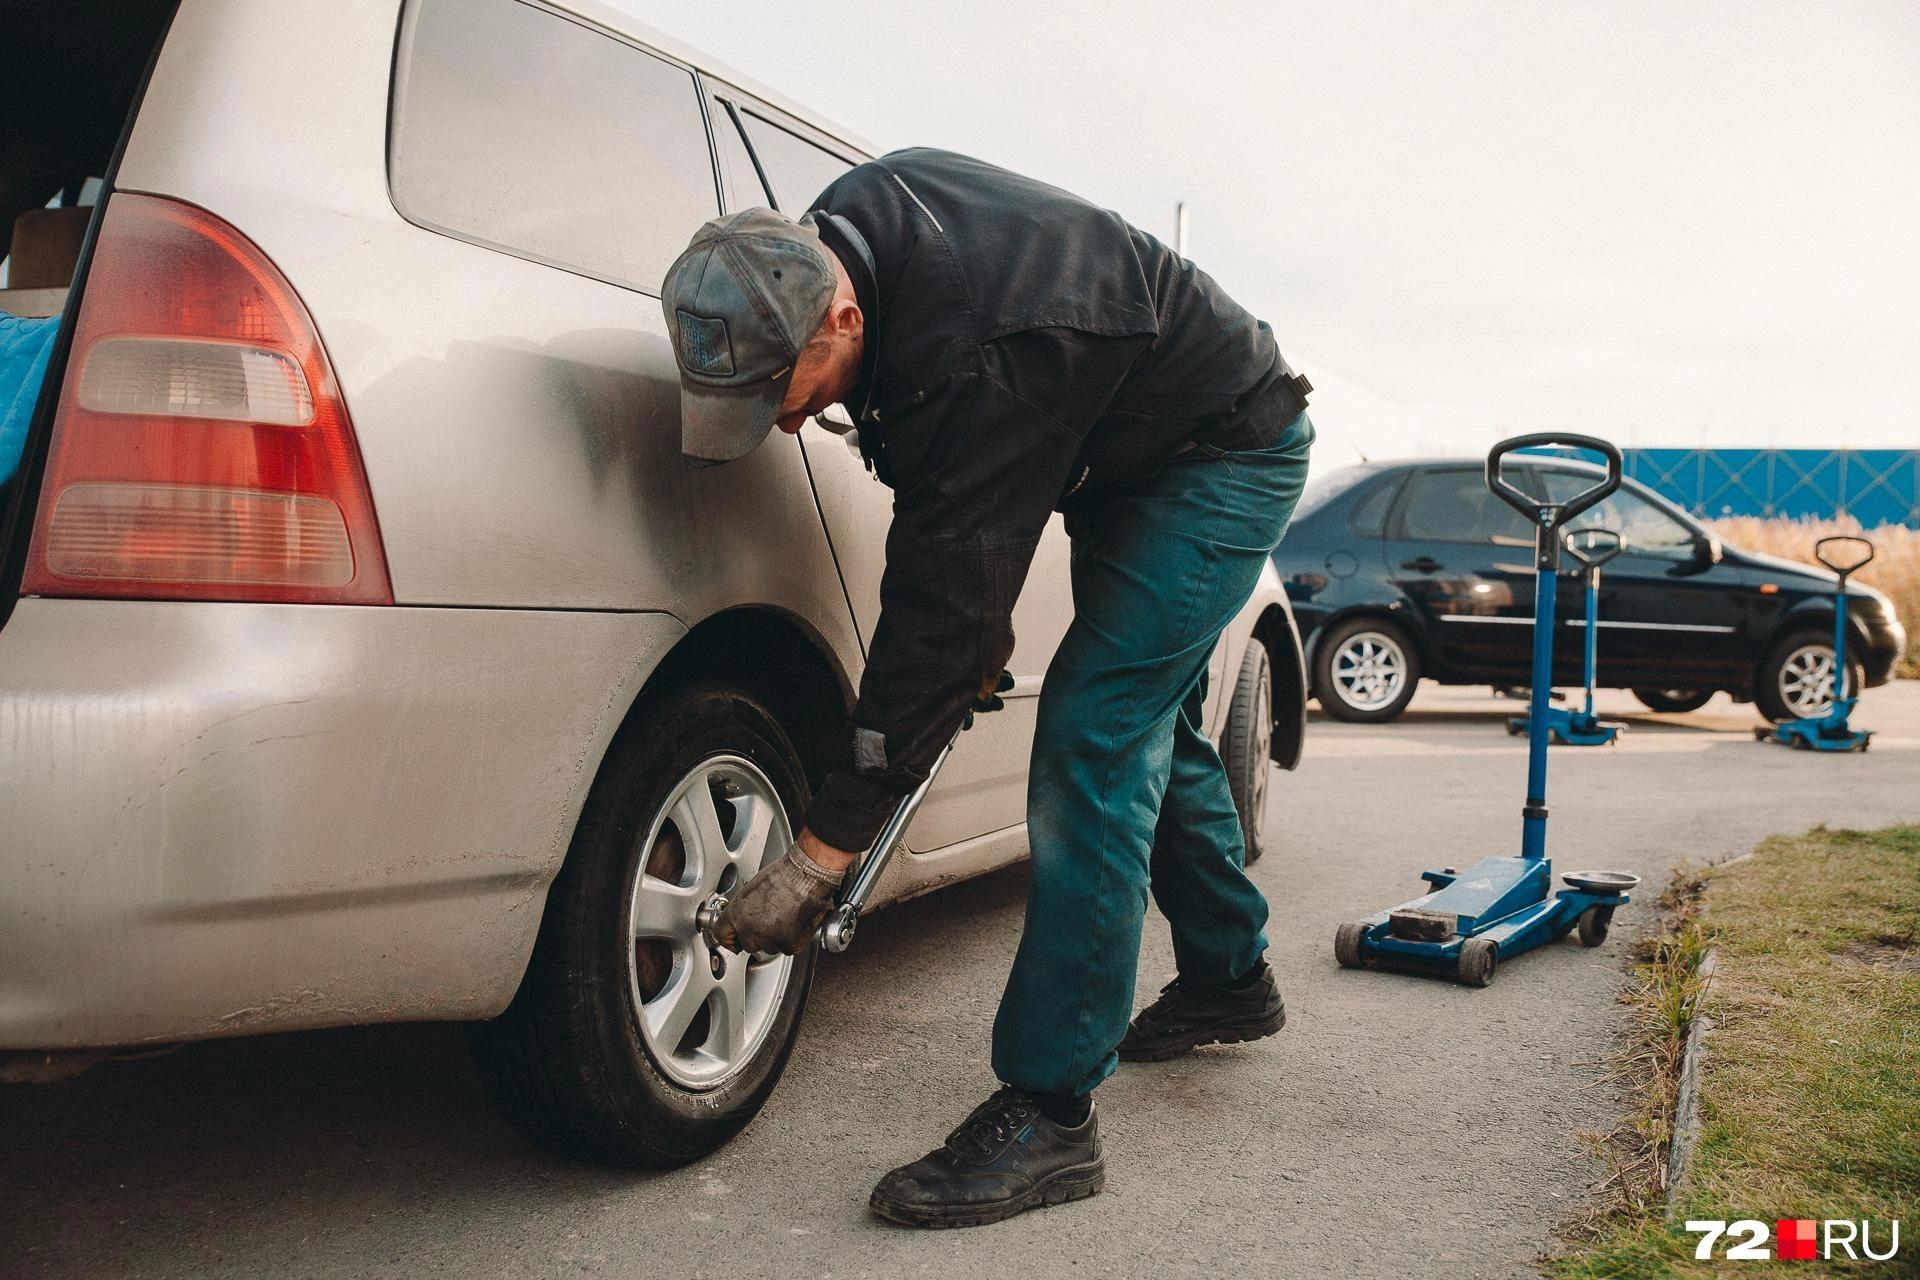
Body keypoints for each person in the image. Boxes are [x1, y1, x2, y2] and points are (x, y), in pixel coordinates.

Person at [660, 148, 1313, 1228]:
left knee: (1094, 733)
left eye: (786, 398)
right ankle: (1231, 977)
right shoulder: (835, 239)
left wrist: (823, 854)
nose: (781, 426)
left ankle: (1053, 1111)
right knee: (1142, 718)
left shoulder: (971, 354)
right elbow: (956, 574)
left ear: (842, 323)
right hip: (1121, 443)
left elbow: (946, 616)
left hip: (1221, 453)